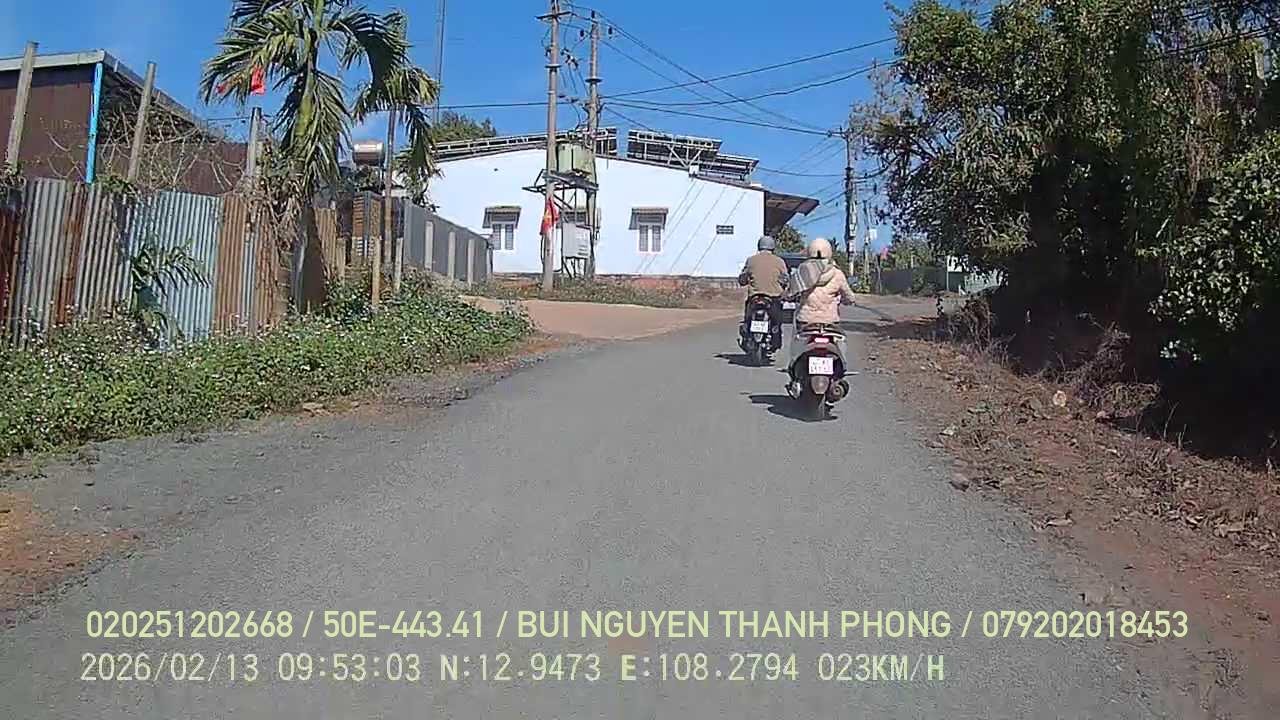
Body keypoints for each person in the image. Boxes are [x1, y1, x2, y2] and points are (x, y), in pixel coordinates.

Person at [792, 236, 856, 329]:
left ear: (810, 251)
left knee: (797, 337)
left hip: (806, 320)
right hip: (830, 321)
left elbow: (791, 292)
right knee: (840, 337)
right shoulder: (837, 273)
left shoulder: (802, 272)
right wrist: (849, 300)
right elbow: (848, 296)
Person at [738, 235, 789, 349]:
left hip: (755, 297)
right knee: (776, 322)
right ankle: (775, 339)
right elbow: (785, 279)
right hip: (773, 297)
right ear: (773, 247)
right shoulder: (779, 261)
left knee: (747, 318)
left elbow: (743, 278)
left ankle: (746, 331)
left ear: (759, 246)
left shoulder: (751, 260)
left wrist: (745, 280)